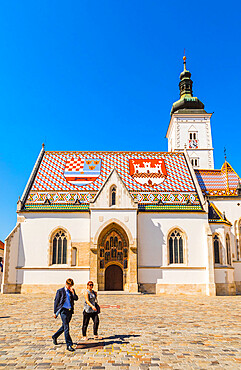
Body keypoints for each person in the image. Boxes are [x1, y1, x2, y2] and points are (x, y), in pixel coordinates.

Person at [52, 278, 78, 351]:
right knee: (67, 327)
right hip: (63, 311)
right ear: (66, 284)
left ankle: (55, 336)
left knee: (64, 326)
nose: (70, 287)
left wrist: (73, 293)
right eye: (69, 286)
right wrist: (55, 312)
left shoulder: (71, 291)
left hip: (69, 311)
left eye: (71, 286)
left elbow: (76, 298)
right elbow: (56, 302)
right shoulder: (60, 291)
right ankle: (69, 345)